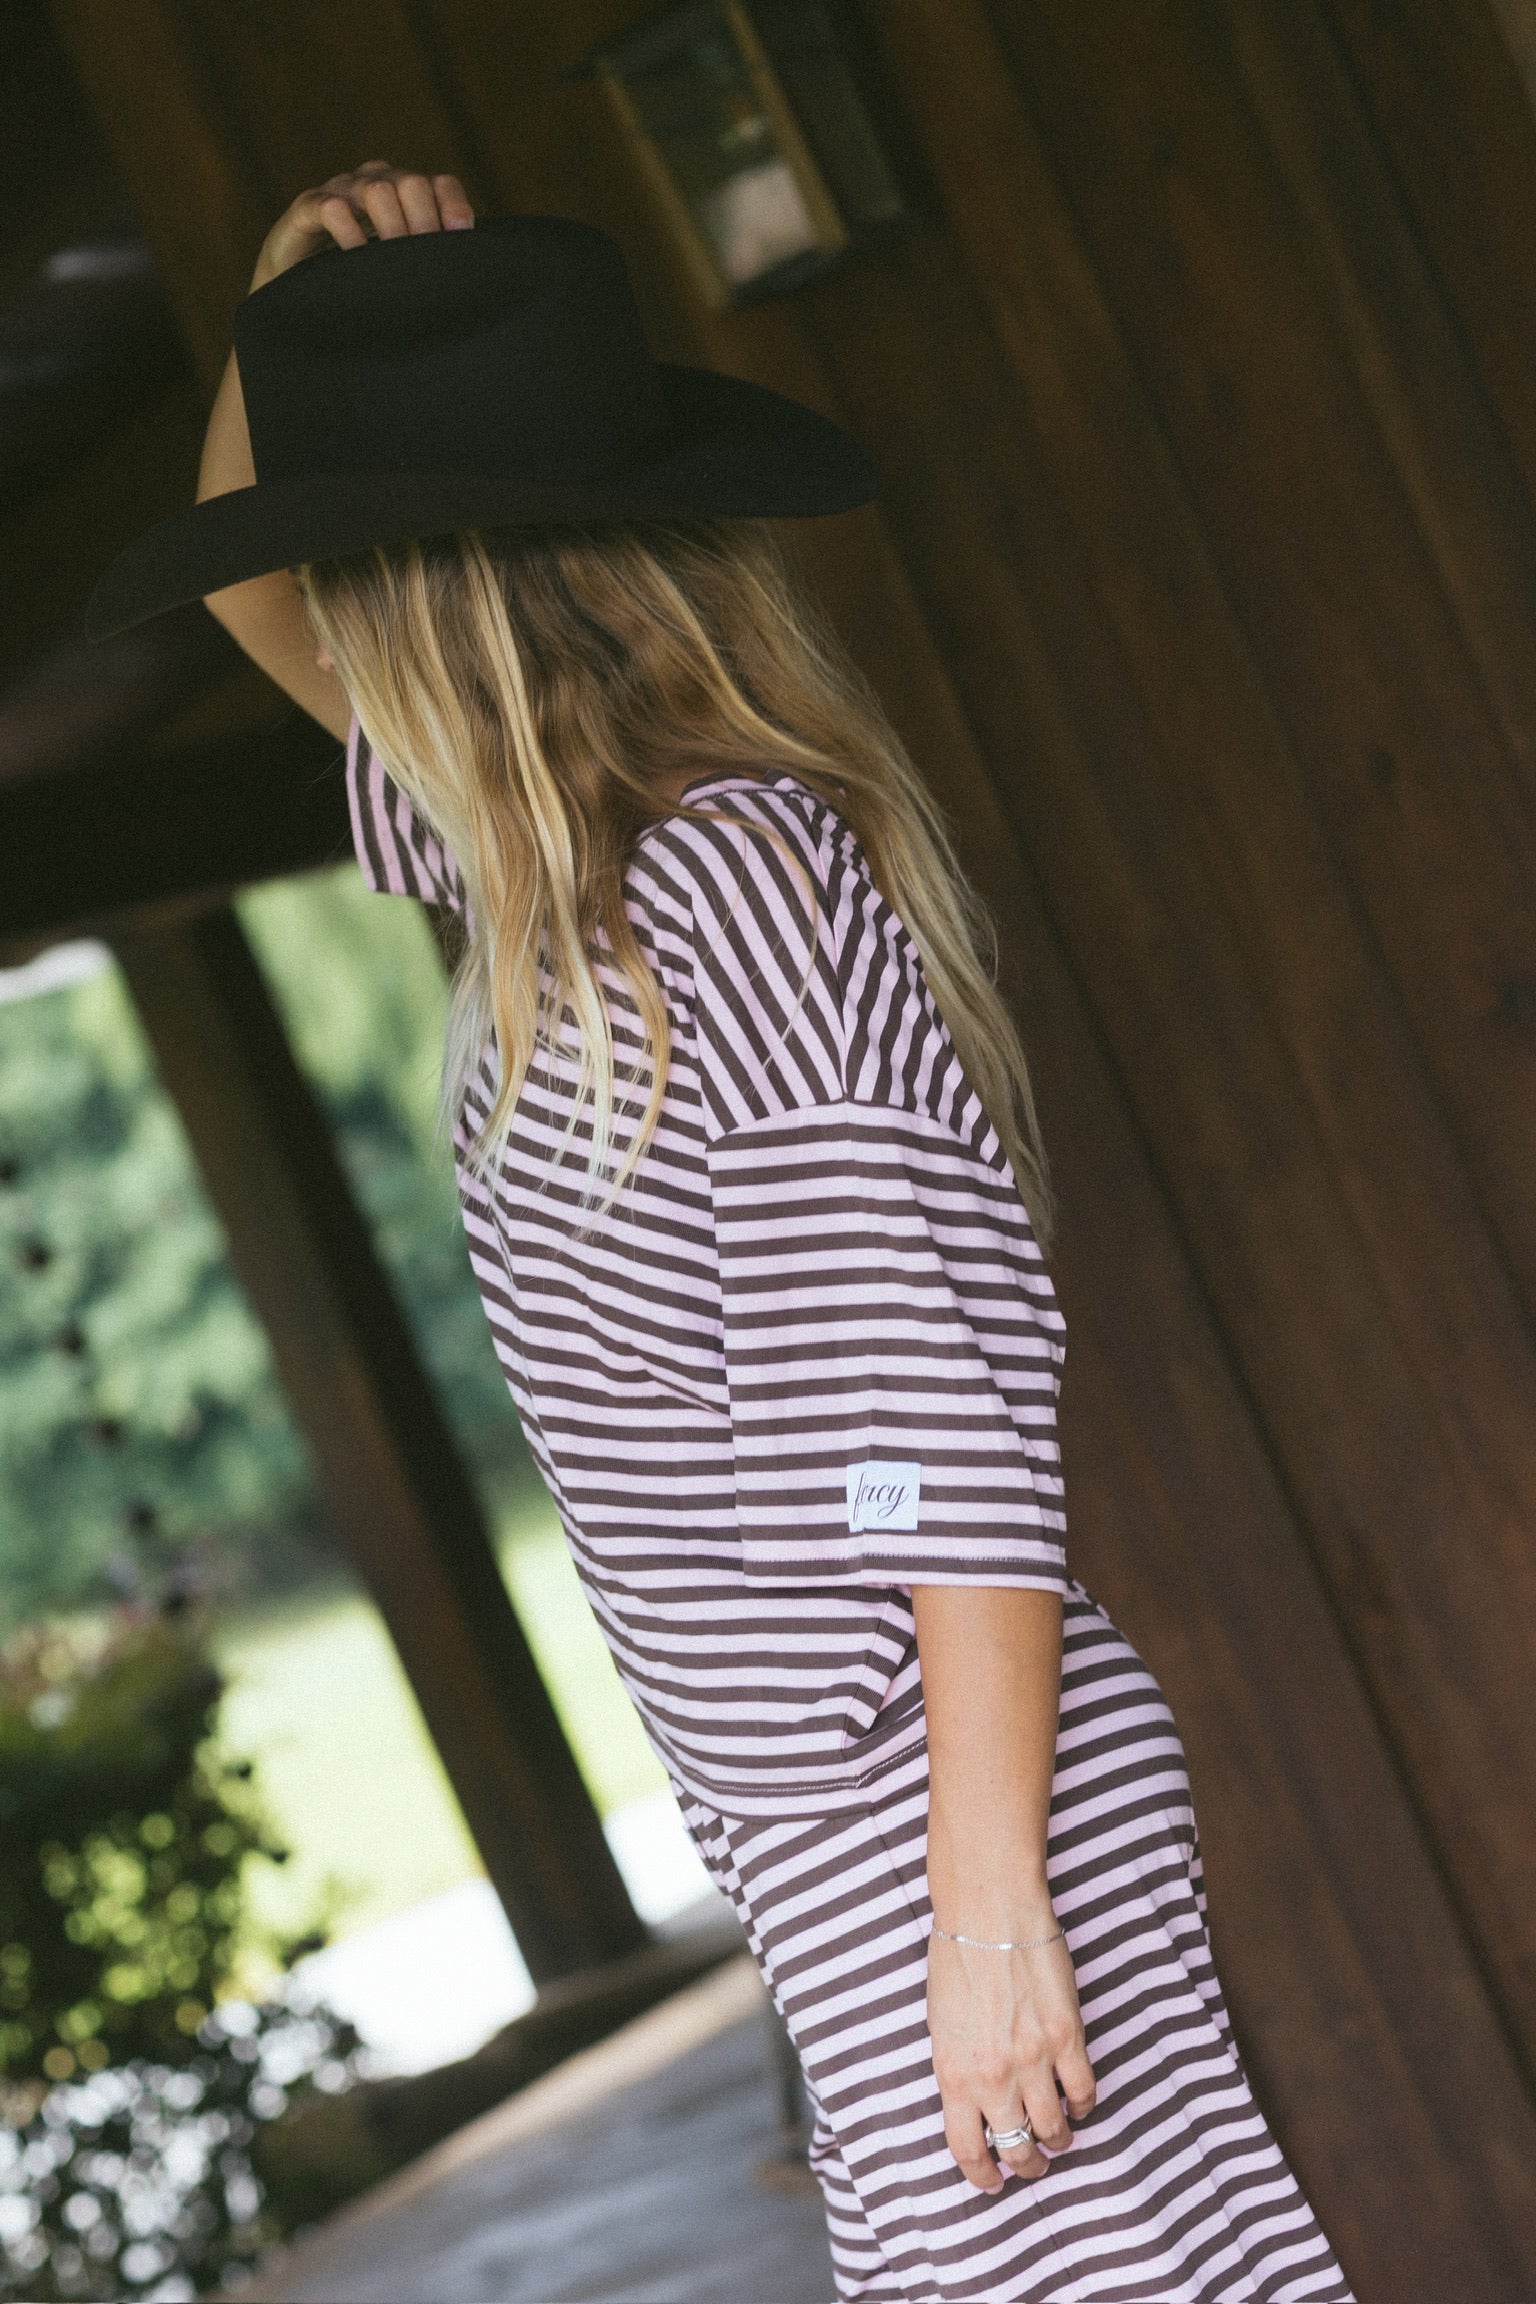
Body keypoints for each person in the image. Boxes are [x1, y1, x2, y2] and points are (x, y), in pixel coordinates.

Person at [90, 163, 1354, 2304]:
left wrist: (982, 1909)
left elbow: (922, 1437)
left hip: (924, 1815)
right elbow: (252, 603)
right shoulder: (547, 885)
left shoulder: (720, 886)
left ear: (432, 601)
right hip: (858, 1836)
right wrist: (287, 311)